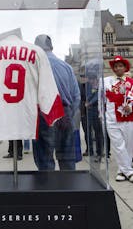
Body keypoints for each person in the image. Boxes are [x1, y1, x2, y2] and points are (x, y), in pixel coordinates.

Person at [33, 34, 80, 171]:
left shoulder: (34, 67)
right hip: (65, 113)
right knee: (67, 159)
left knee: (44, 159)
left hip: (43, 114)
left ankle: (48, 189)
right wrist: (68, 115)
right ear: (51, 46)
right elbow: (76, 97)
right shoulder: (66, 67)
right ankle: (68, 188)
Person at [99, 55, 133, 182]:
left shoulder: (131, 82)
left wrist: (131, 107)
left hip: (128, 118)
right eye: (116, 66)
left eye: (120, 66)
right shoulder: (107, 81)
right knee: (118, 145)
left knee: (129, 146)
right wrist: (101, 114)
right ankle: (129, 172)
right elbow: (101, 98)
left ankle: (121, 170)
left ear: (125, 67)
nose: (118, 68)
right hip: (112, 119)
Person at [85, 74, 104, 162]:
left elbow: (99, 96)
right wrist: (88, 101)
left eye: (92, 79)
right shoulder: (88, 85)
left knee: (98, 133)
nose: (91, 81)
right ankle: (91, 150)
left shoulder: (100, 85)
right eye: (90, 79)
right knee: (90, 132)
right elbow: (87, 95)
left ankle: (100, 153)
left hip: (97, 110)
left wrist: (90, 102)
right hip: (89, 111)